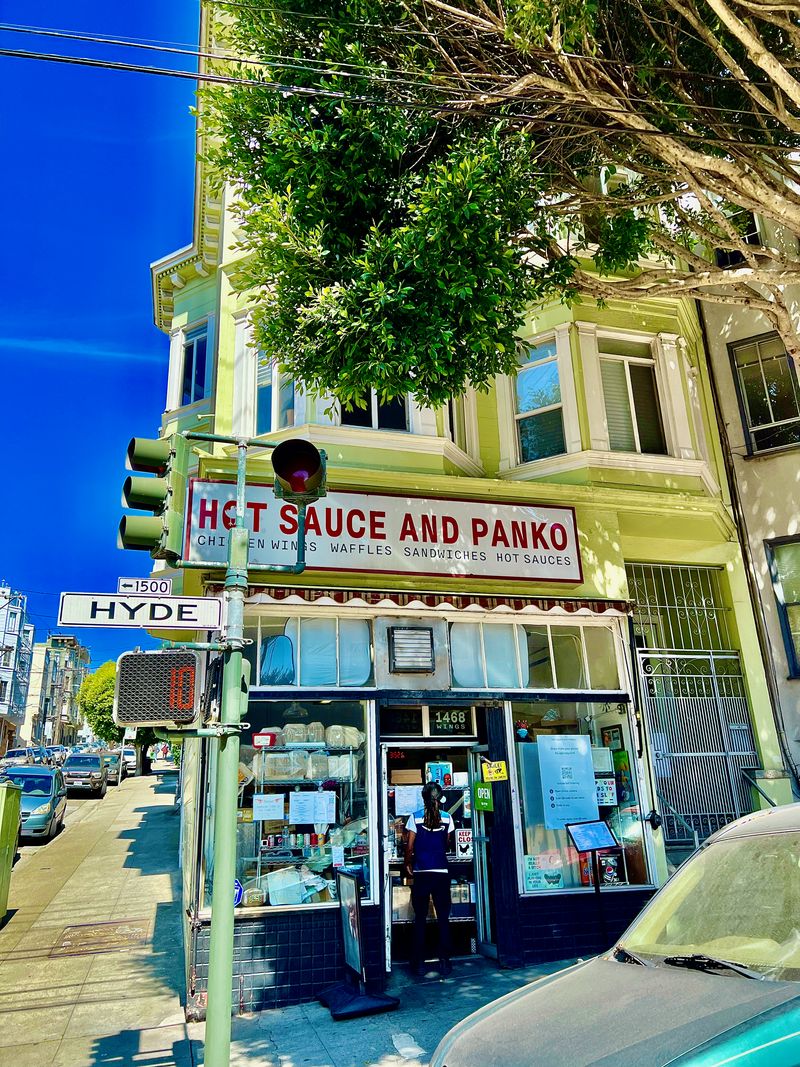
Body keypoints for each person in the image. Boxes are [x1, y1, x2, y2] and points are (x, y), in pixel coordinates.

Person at [404, 781, 454, 976]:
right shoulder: (447, 818)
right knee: (443, 917)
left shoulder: (414, 818)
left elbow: (409, 847)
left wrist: (407, 863)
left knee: (420, 918)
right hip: (441, 872)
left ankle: (418, 962)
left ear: (424, 797)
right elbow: (446, 843)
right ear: (439, 797)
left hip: (422, 872)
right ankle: (445, 961)